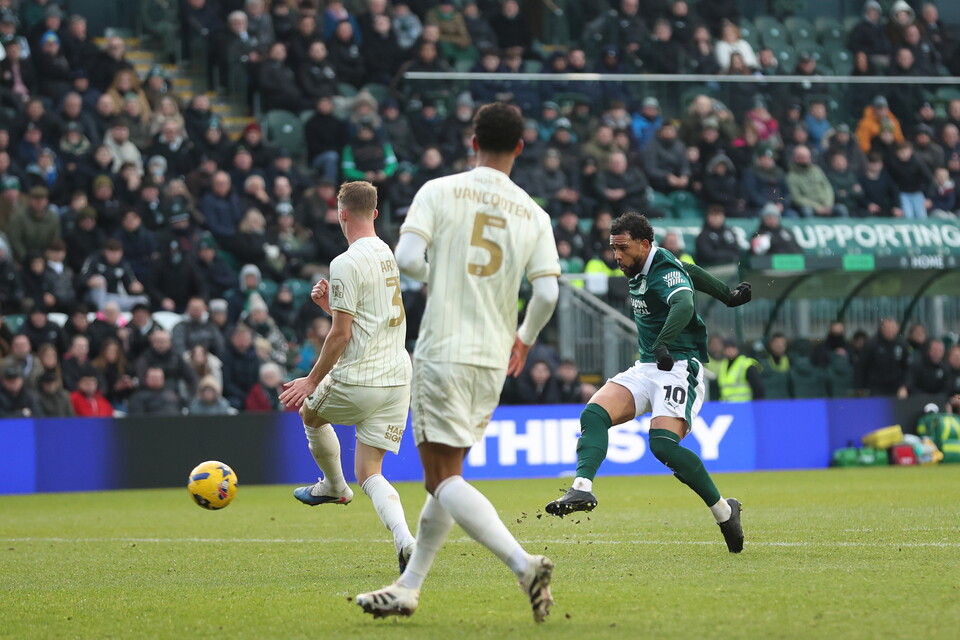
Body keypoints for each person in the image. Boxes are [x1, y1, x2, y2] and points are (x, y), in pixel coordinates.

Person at [355, 103, 561, 622]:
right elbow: (547, 293)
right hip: (494, 357)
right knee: (450, 474)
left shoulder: (438, 191)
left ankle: (523, 563)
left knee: (441, 479)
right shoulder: (534, 213)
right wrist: (525, 340)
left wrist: (444, 276)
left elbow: (404, 259)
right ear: (520, 146)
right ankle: (409, 586)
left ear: (473, 141)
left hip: (444, 349)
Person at [544, 212, 750, 555]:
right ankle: (581, 487)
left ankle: (725, 513)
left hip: (679, 365)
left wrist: (664, 342)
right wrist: (726, 295)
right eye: (613, 249)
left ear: (644, 244)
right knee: (594, 414)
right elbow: (691, 271)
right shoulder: (651, 264)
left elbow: (683, 302)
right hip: (648, 365)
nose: (617, 256)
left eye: (622, 248)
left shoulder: (663, 272)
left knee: (663, 446)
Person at [277, 181, 416, 571]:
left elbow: (341, 335)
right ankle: (405, 539)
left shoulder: (344, 262)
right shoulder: (386, 252)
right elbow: (366, 319)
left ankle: (334, 488)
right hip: (397, 377)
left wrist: (311, 379)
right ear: (374, 213)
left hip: (361, 376)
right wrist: (330, 305)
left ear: (341, 214)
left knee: (309, 412)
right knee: (370, 471)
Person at [859, 318, 910, 396]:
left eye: (893, 328)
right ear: (882, 329)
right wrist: (861, 387)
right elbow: (862, 366)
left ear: (897, 329)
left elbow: (907, 367)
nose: (891, 331)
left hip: (895, 385)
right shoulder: (871, 344)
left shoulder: (902, 344)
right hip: (876, 385)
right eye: (888, 328)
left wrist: (904, 386)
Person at [718, 337, 765, 402]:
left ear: (738, 348)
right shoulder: (723, 365)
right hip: (727, 406)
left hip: (744, 406)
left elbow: (758, 389)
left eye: (732, 347)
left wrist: (756, 407)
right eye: (727, 347)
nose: (729, 350)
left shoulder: (746, 364)